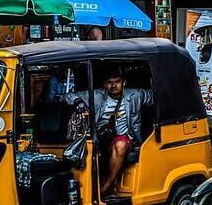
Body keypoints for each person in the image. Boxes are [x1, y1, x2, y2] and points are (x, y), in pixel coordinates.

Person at [65, 67, 152, 195]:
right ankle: (87, 187)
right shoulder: (97, 95)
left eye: (117, 81)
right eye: (110, 82)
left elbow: (155, 96)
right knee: (84, 151)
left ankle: (107, 186)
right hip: (100, 137)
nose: (113, 85)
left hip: (124, 137)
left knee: (120, 145)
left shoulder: (135, 95)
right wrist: (78, 102)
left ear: (124, 83)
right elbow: (69, 96)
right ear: (105, 85)